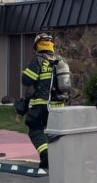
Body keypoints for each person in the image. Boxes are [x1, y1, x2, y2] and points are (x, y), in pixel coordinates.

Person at [20, 32, 70, 170]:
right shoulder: (60, 61)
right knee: (54, 132)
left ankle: (46, 155)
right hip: (58, 105)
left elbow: (27, 81)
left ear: (37, 46)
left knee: (35, 129)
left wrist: (25, 73)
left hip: (41, 104)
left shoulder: (38, 60)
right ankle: (58, 158)